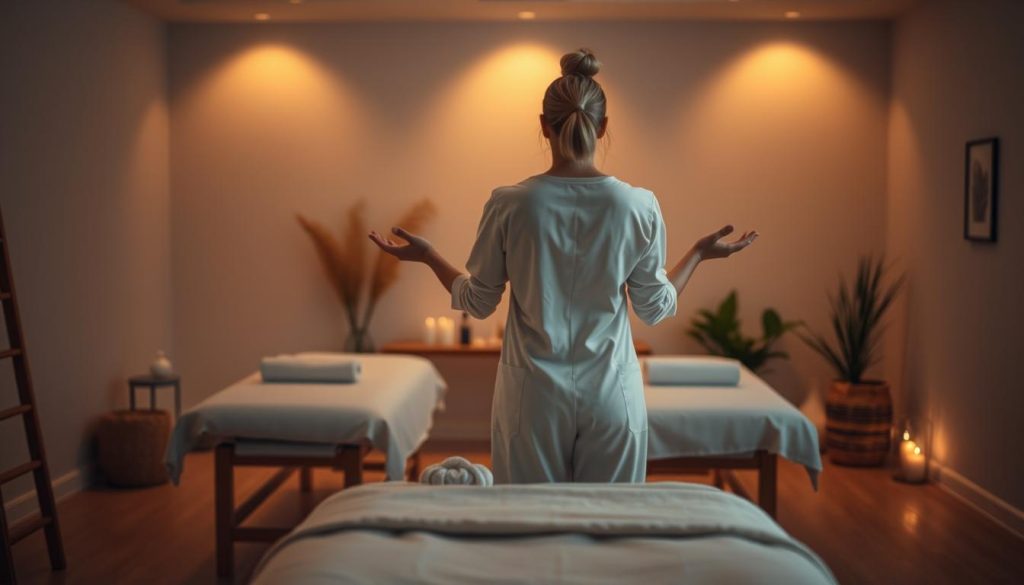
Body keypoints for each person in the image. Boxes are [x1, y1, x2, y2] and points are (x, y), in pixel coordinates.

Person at [370, 48, 757, 484]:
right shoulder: (637, 205)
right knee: (611, 517)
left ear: (544, 125)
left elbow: (477, 302)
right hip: (612, 393)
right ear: (604, 126)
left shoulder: (510, 204)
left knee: (531, 518)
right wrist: (698, 254)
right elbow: (654, 308)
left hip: (532, 397)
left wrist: (427, 257)